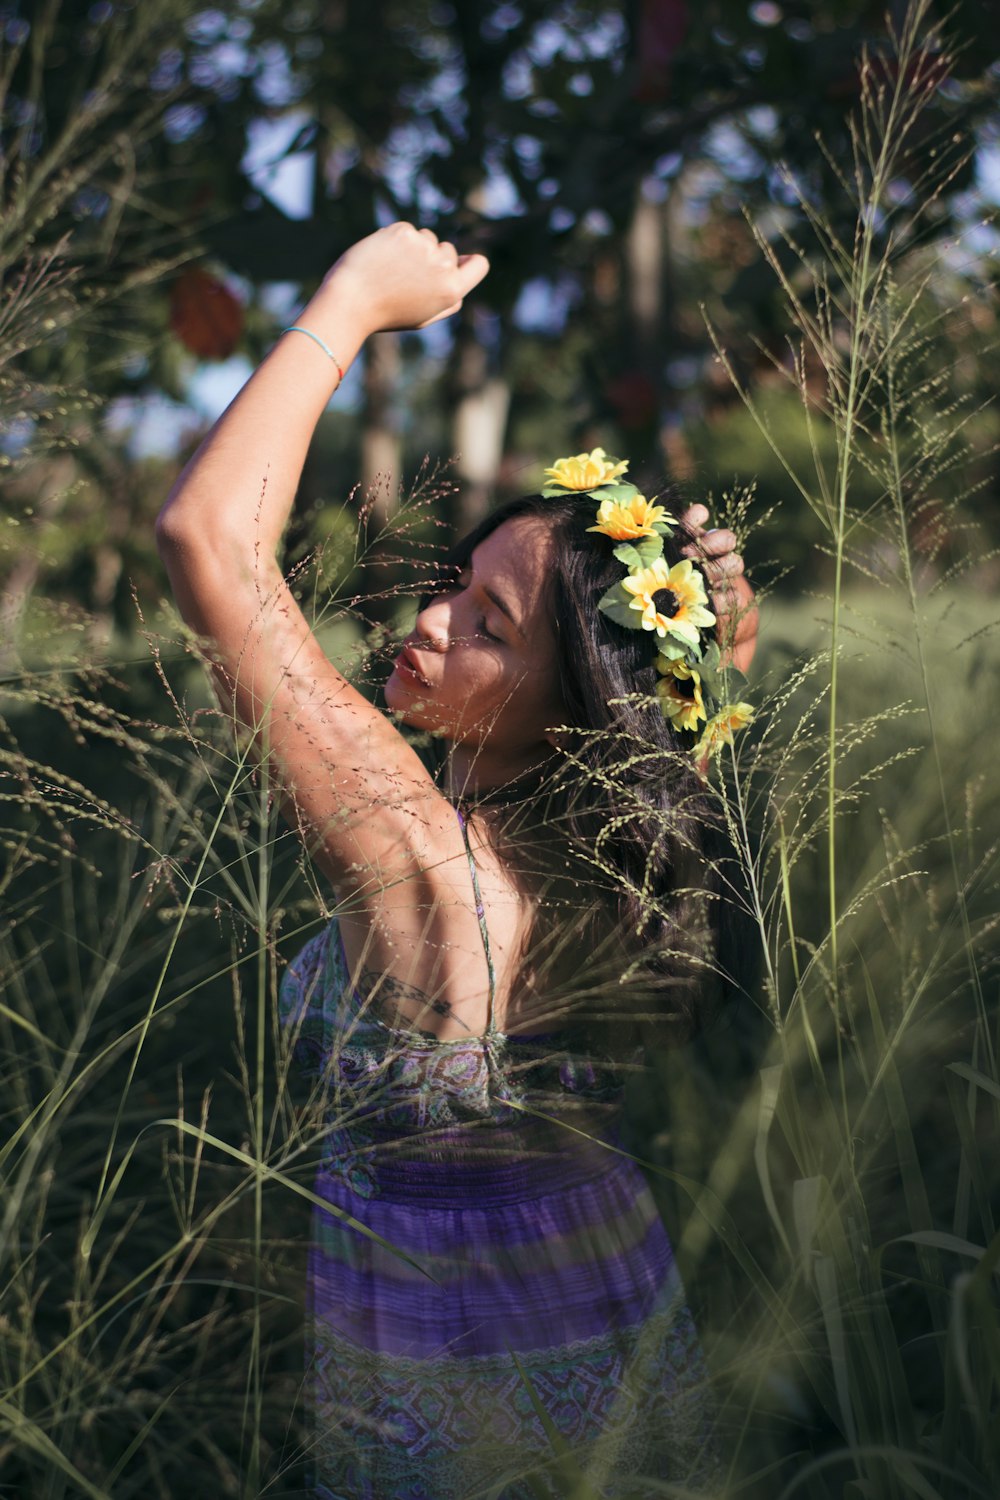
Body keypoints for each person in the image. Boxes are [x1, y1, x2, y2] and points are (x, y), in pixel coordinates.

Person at [156, 222, 757, 1498]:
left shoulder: (424, 859)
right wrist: (700, 631)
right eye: (458, 583)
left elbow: (209, 544)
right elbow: (680, 710)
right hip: (610, 1317)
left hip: (446, 1373)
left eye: (486, 625)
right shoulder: (632, 841)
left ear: (577, 703)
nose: (430, 619)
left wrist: (352, 303)